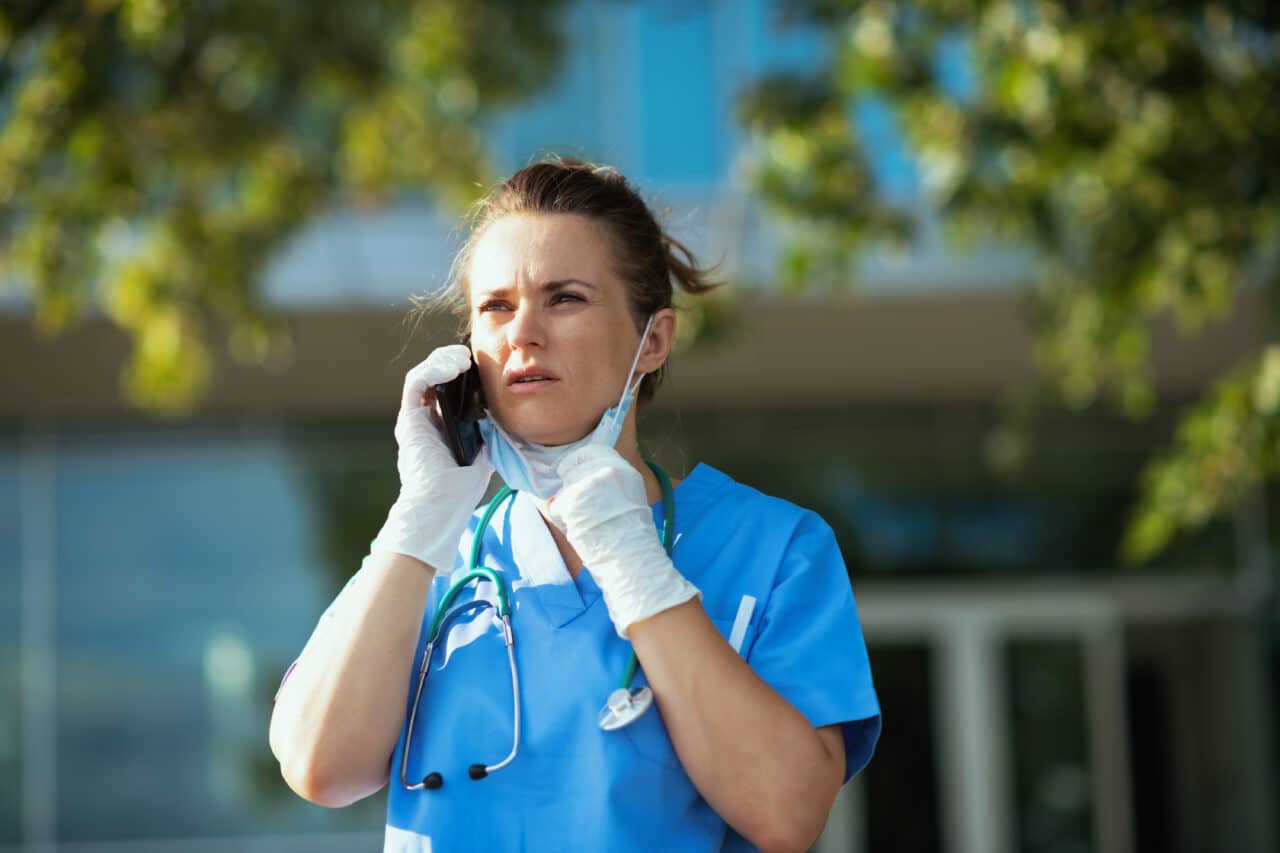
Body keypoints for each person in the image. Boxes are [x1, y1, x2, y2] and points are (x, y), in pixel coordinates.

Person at [269, 158, 880, 852]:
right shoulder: (428, 561)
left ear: (652, 339)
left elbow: (787, 811)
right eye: (495, 306)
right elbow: (320, 765)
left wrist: (636, 568)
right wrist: (416, 522)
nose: (522, 333)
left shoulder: (773, 548)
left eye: (564, 298)